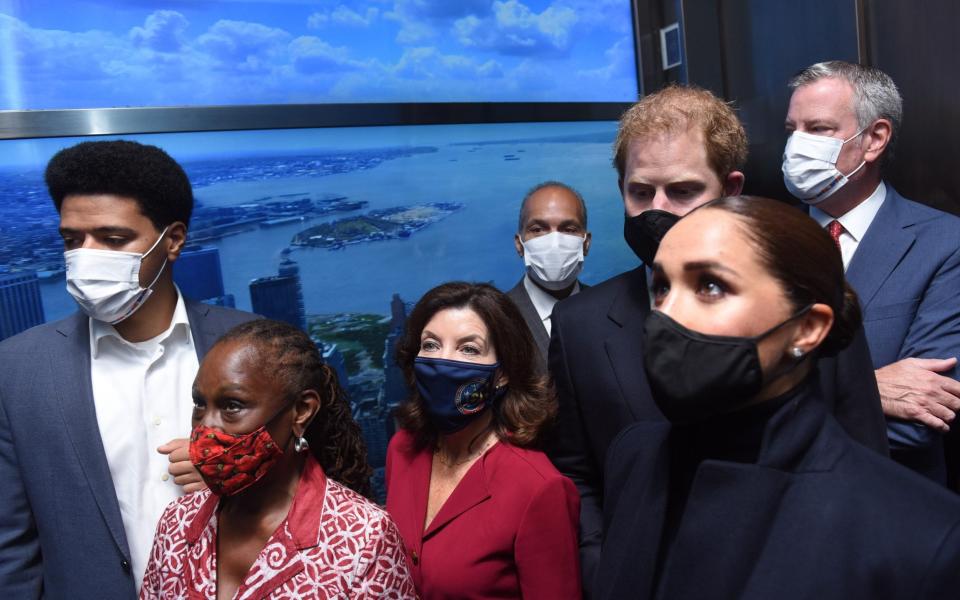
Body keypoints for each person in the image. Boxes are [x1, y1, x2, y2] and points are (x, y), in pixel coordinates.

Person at [546, 84, 888, 595]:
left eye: (683, 191)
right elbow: (576, 476)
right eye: (640, 192)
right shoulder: (580, 325)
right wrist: (606, 566)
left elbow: (864, 458)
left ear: (730, 190)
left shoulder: (801, 309)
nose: (656, 210)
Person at [597, 195, 960, 600]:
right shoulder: (635, 456)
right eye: (662, 287)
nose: (667, 314)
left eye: (711, 286)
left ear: (807, 328)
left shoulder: (922, 533)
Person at [0, 140, 256, 598]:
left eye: (113, 239)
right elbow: (10, 547)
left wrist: (245, 477)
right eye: (72, 240)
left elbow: (324, 484)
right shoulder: (16, 370)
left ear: (173, 240)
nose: (86, 256)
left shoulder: (256, 346)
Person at [140, 319, 415, 598]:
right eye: (200, 404)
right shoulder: (177, 523)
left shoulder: (363, 539)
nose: (205, 426)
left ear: (301, 411)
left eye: (232, 406)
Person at [783, 60, 960, 484]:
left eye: (819, 128)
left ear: (874, 138)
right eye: (792, 130)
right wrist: (868, 389)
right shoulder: (755, 240)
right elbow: (723, 399)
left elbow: (921, 418)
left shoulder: (946, 244)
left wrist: (780, 407)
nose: (796, 146)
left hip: (892, 512)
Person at [385, 282, 580, 599]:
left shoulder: (539, 488)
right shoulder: (403, 449)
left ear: (502, 374)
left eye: (469, 349)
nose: (443, 361)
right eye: (431, 345)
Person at [506, 181, 591, 369]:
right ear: (519, 244)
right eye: (537, 229)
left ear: (586, 243)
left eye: (569, 230)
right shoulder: (496, 317)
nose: (554, 242)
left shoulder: (609, 310)